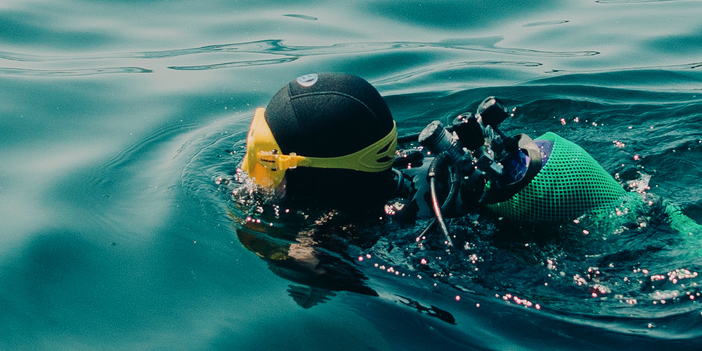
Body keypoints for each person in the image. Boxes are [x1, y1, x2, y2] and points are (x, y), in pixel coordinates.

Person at [237, 70, 634, 233]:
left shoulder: (344, 235)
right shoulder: (416, 166)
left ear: (318, 173)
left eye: (265, 158)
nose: (251, 170)